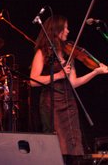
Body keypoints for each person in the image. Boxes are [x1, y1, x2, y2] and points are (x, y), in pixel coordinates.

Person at [29, 15, 108, 164]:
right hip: (51, 104)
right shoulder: (43, 53)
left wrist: (95, 72)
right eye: (65, 27)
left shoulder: (68, 54)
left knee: (73, 147)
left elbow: (73, 83)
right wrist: (58, 75)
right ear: (56, 30)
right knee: (56, 147)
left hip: (69, 103)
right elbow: (33, 80)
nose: (68, 31)